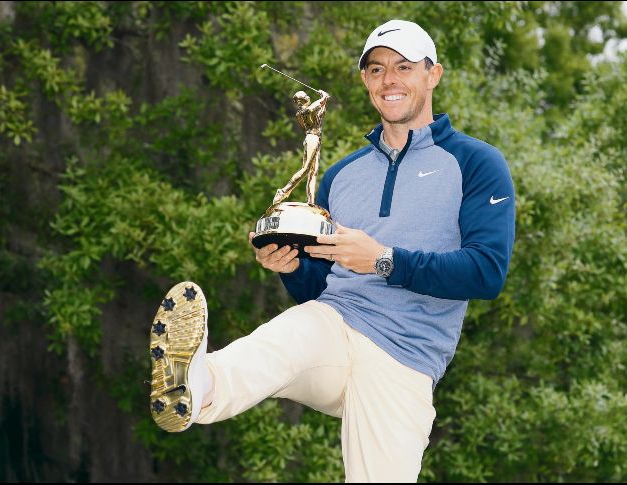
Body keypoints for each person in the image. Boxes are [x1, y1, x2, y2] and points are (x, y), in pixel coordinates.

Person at [148, 19, 515, 482]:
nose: (390, 80)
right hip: (335, 325)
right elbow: (320, 287)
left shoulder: (476, 162)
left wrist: (383, 259)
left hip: (405, 358)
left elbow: (487, 272)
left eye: (404, 67)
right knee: (279, 341)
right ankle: (196, 387)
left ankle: (199, 383)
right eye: (377, 69)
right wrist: (290, 266)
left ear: (433, 74)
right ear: (365, 80)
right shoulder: (342, 175)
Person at [272, 89, 330, 206]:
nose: (308, 97)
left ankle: (311, 201)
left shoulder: (309, 112)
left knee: (313, 172)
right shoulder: (303, 112)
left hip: (317, 139)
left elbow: (320, 112)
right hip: (311, 139)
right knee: (306, 169)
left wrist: (325, 100)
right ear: (303, 100)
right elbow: (314, 107)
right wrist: (323, 96)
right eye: (306, 96)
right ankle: (283, 191)